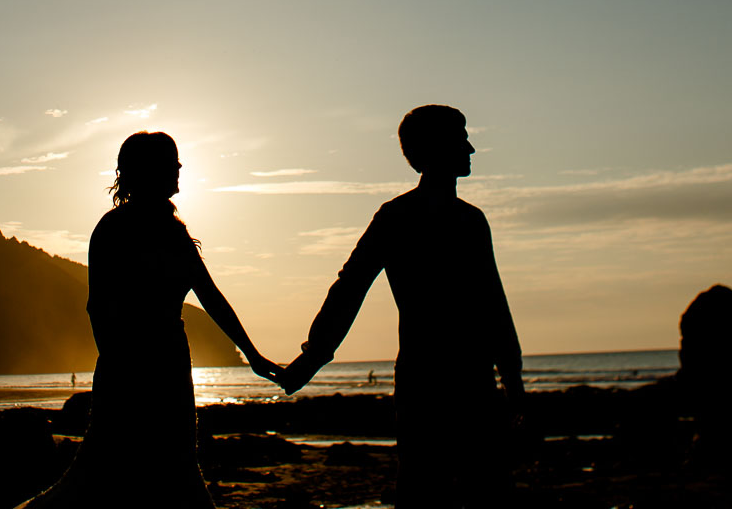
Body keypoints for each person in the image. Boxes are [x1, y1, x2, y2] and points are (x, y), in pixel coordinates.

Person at [277, 105, 523, 507]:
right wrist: (312, 358)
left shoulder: (465, 220)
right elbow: (350, 287)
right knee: (437, 492)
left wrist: (512, 379)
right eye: (461, 139)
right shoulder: (404, 217)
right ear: (436, 148)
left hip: (461, 380)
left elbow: (493, 304)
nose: (471, 148)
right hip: (431, 381)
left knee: (473, 492)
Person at [25, 131, 281, 507]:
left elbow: (210, 297)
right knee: (103, 474)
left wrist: (255, 356)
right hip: (137, 368)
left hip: (165, 367)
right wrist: (122, 365)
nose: (179, 169)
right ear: (150, 170)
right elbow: (99, 308)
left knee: (156, 474)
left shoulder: (168, 231)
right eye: (171, 162)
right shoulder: (117, 229)